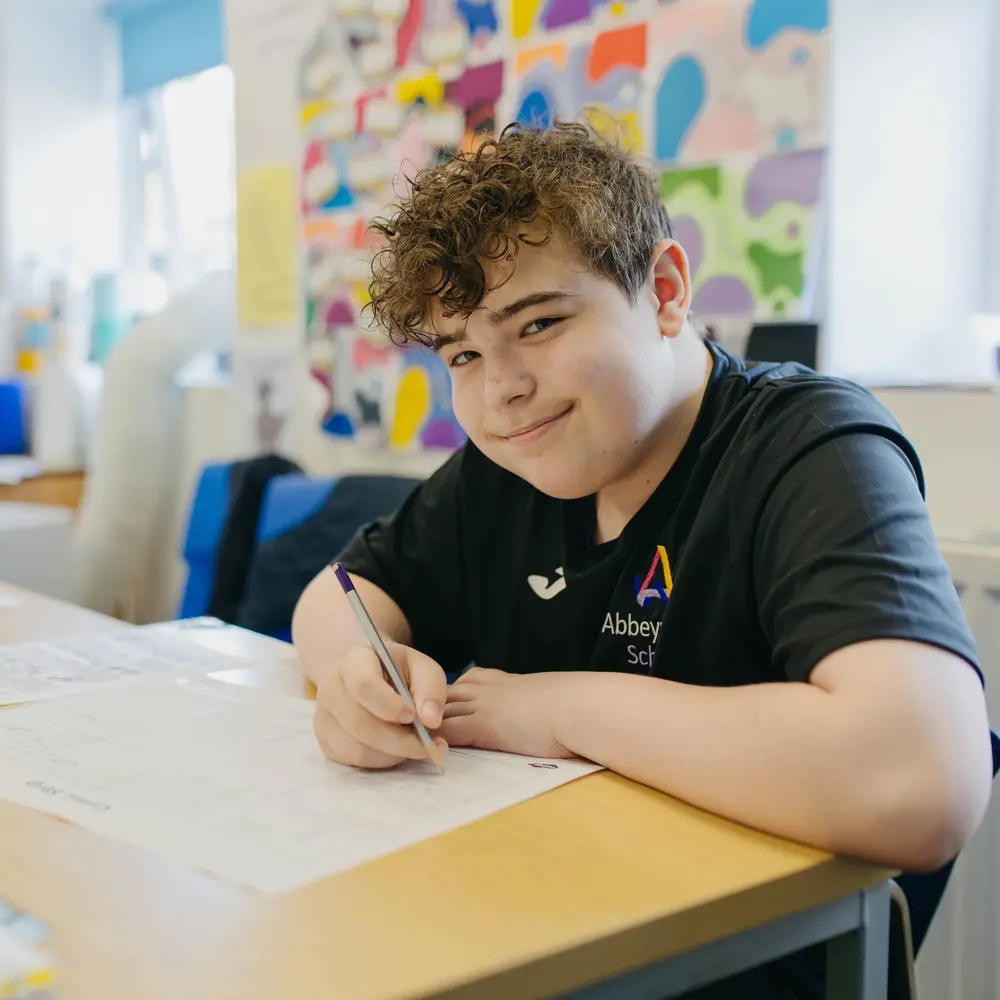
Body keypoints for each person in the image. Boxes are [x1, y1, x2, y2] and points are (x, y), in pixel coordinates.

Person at [291, 122, 992, 997]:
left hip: (734, 967)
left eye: (539, 322)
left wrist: (560, 709)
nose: (501, 387)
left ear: (663, 289)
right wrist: (360, 669)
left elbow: (921, 780)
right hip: (534, 927)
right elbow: (343, 591)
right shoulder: (512, 461)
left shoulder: (809, 445)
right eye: (463, 354)